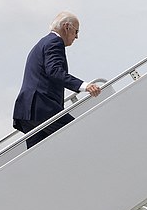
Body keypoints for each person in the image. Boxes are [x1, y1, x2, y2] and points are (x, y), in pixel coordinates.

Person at [13, 11, 101, 148]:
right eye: (76, 31)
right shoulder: (54, 42)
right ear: (67, 27)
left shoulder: (43, 42)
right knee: (78, 136)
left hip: (28, 110)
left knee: (41, 156)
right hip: (40, 107)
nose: (77, 37)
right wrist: (84, 86)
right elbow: (54, 71)